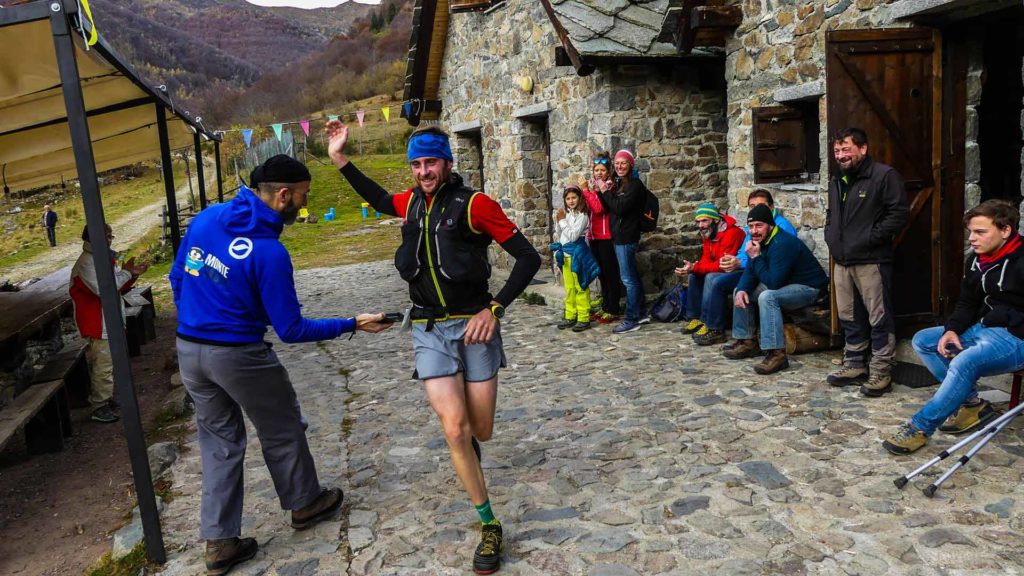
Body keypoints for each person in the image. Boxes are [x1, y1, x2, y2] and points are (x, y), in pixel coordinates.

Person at [329, 120, 541, 575]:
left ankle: (471, 450)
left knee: (480, 430)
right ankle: (489, 524)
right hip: (428, 330)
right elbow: (377, 197)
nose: (423, 171)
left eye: (431, 162)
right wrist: (339, 158)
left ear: (447, 163)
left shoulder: (476, 205)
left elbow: (529, 257)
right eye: (417, 165)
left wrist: (495, 309)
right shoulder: (409, 205)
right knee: (454, 430)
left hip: (475, 329)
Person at [169, 154, 392, 576]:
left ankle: (219, 542)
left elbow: (178, 276)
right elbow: (291, 329)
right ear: (283, 195)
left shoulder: (207, 218)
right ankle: (305, 502)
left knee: (219, 442)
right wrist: (352, 323)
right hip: (239, 355)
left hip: (189, 350)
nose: (305, 204)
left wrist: (197, 317)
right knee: (281, 427)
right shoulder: (270, 253)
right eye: (304, 196)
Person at [883, 200, 1024, 455]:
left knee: (964, 362)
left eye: (980, 232)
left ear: (1006, 230)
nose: (972, 238)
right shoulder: (977, 260)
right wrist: (952, 329)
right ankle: (971, 404)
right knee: (924, 341)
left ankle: (919, 428)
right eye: (971, 232)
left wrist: (1008, 321)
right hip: (984, 328)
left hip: (1016, 338)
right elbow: (967, 303)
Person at [825, 128, 908, 397]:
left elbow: (898, 214)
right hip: (842, 260)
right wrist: (831, 236)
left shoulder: (884, 176)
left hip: (871, 260)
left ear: (863, 149)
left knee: (878, 317)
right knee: (848, 315)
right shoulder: (837, 180)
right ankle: (854, 364)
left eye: (846, 149)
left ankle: (881, 370)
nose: (841, 155)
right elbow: (831, 214)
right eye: (837, 151)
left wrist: (870, 238)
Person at [723, 204, 829, 374]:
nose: (754, 231)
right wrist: (742, 288)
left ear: (770, 225)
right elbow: (751, 271)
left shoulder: (782, 243)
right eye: (751, 226)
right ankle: (747, 341)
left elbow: (773, 283)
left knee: (768, 296)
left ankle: (777, 354)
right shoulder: (760, 241)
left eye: (759, 225)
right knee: (740, 291)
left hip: (810, 289)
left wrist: (756, 257)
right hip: (787, 284)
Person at [699, 189, 797, 347]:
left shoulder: (781, 227)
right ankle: (709, 324)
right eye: (752, 206)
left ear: (771, 207)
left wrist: (740, 264)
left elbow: (768, 260)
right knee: (712, 277)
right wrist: (734, 261)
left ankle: (718, 329)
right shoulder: (753, 227)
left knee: (722, 283)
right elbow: (746, 252)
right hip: (751, 267)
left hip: (766, 272)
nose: (756, 210)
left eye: (761, 206)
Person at [70, 224, 147, 423]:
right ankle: (99, 405)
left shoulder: (100, 259)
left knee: (108, 363)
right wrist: (127, 273)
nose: (111, 239)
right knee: (103, 365)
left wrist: (132, 275)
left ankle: (104, 398)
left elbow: (116, 286)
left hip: (106, 319)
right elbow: (104, 289)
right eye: (107, 235)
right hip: (97, 322)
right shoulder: (87, 263)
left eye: (111, 235)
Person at [676, 202, 744, 345]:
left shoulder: (732, 233)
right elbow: (707, 257)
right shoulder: (709, 232)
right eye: (698, 222)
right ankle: (695, 318)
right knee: (694, 275)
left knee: (711, 277)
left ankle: (712, 325)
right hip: (723, 268)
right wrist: (693, 267)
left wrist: (696, 267)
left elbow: (722, 265)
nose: (700, 225)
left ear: (715, 220)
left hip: (737, 270)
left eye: (704, 221)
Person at [600, 149, 649, 334]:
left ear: (630, 165)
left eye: (624, 163)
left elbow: (620, 208)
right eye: (617, 163)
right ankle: (641, 313)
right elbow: (609, 207)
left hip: (626, 237)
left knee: (628, 280)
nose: (620, 166)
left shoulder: (635, 186)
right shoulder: (619, 184)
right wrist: (604, 191)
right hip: (619, 236)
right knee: (632, 276)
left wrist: (606, 191)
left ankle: (631, 319)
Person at [578, 152, 620, 323]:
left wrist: (585, 191)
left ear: (608, 172)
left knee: (610, 273)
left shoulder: (608, 187)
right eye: (596, 170)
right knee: (601, 273)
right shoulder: (594, 188)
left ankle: (613, 308)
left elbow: (599, 209)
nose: (599, 173)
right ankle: (605, 305)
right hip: (594, 236)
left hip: (606, 237)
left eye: (602, 170)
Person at [553, 185, 600, 332]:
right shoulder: (566, 214)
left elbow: (573, 236)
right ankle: (570, 315)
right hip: (565, 255)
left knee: (580, 286)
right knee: (570, 288)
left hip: (577, 254)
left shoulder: (582, 215)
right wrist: (558, 221)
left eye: (574, 197)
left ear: (579, 198)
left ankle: (583, 317)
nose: (571, 201)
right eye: (568, 198)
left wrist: (562, 221)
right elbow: (560, 234)